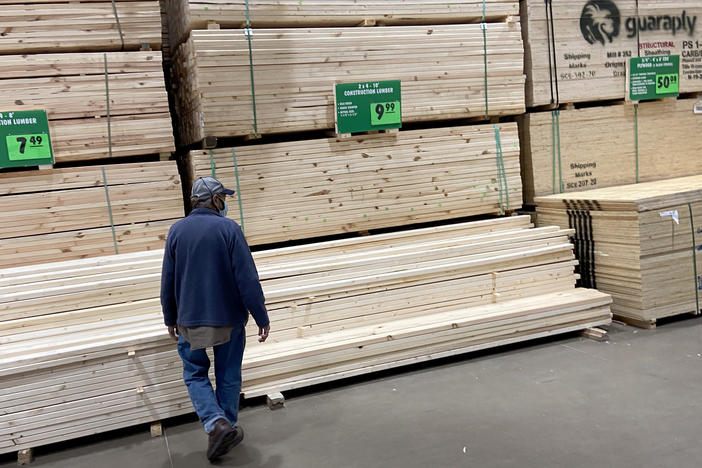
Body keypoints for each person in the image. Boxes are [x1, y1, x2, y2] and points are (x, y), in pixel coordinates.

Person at [160, 176, 271, 462]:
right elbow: (246, 278)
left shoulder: (176, 231)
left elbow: (168, 279)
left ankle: (215, 424)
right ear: (214, 200)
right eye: (224, 198)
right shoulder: (229, 229)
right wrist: (261, 315)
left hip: (190, 319)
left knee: (195, 374)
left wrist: (169, 317)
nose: (225, 203)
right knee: (228, 373)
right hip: (229, 318)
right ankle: (226, 425)